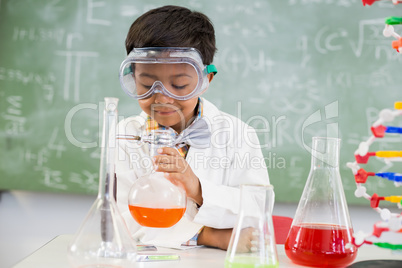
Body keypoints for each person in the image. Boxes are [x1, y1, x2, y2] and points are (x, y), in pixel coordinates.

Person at [115, 5, 270, 250]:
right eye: (146, 84)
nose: (162, 98)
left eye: (179, 85)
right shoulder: (125, 135)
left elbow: (257, 208)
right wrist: (210, 236)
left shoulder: (238, 134)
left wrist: (197, 188)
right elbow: (122, 218)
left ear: (205, 80)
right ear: (133, 78)